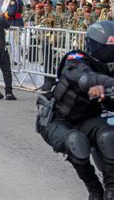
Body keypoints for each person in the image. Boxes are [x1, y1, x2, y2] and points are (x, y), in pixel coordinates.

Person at [37, 21, 114, 200]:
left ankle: (111, 191)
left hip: (87, 120)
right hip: (58, 120)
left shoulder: (109, 70)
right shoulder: (76, 58)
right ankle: (94, 190)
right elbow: (85, 79)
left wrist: (107, 95)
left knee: (109, 136)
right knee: (76, 142)